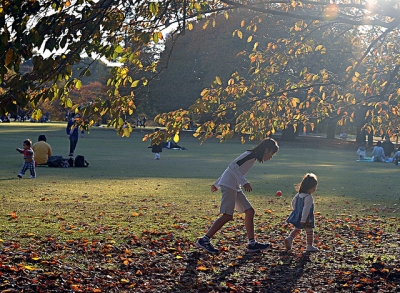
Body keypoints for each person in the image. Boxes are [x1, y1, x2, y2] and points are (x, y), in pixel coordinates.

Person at [195, 138, 279, 254]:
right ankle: (204, 240)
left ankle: (252, 244)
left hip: (234, 185)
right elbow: (232, 166)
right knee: (227, 215)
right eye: (272, 153)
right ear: (266, 149)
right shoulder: (250, 154)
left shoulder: (253, 157)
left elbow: (232, 168)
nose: (271, 156)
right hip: (229, 185)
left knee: (250, 211)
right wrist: (244, 182)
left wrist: (217, 183)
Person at [284, 173, 319, 252]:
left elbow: (293, 203)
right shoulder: (308, 197)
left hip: (298, 215)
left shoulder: (298, 195)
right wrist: (303, 220)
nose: (315, 189)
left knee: (297, 229)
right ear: (309, 187)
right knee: (309, 231)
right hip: (306, 218)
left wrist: (296, 211)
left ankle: (289, 238)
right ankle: (309, 246)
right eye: (314, 187)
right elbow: (306, 209)